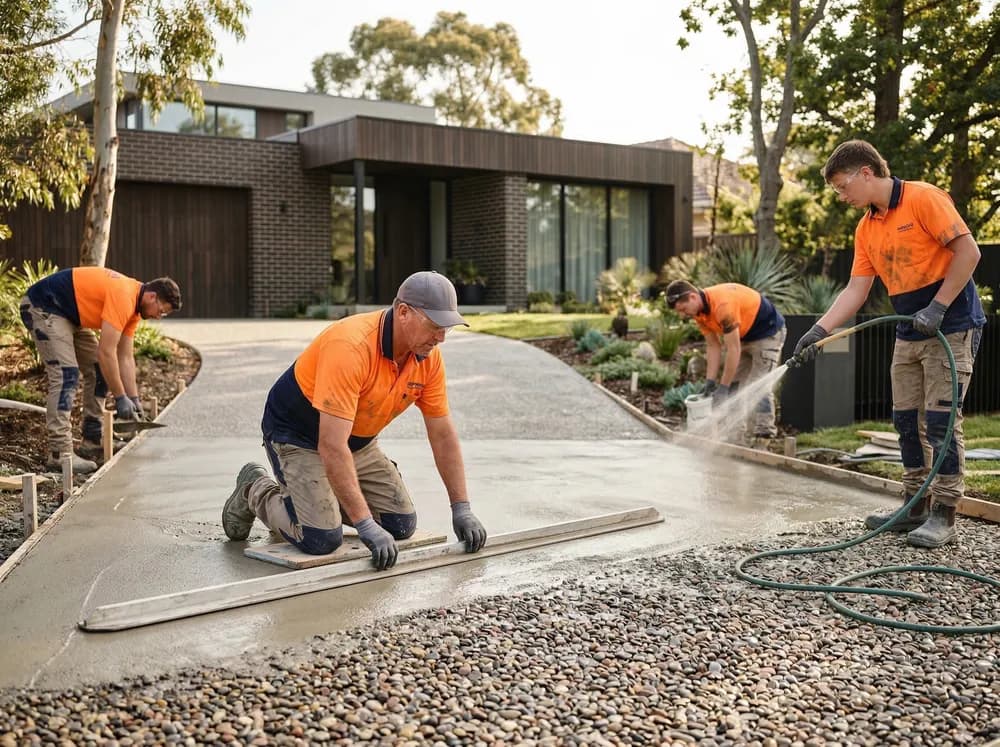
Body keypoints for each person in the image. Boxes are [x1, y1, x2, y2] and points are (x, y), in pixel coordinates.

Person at [223, 270, 488, 570]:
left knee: (400, 525)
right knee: (321, 539)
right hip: (298, 434)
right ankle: (254, 489)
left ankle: (321, 493)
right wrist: (363, 523)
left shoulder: (426, 358)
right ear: (403, 312)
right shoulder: (351, 347)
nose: (440, 337)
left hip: (356, 440)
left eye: (447, 328)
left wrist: (461, 507)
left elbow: (442, 434)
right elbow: (331, 445)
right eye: (434, 326)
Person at [791, 139, 985, 548]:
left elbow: (968, 252)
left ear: (866, 173)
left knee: (941, 422)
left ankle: (945, 513)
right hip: (909, 330)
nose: (841, 197)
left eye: (843, 187)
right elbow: (857, 289)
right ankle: (914, 504)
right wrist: (819, 330)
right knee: (905, 421)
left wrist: (937, 307)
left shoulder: (923, 198)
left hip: (952, 325)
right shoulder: (867, 227)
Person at [19, 267, 182, 473]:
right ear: (152, 296)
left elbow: (125, 357)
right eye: (161, 311)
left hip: (68, 315)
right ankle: (60, 454)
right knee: (66, 374)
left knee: (98, 371)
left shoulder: (134, 309)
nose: (160, 316)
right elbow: (107, 352)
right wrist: (120, 396)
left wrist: (133, 398)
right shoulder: (124, 295)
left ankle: (92, 439)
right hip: (43, 306)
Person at [665, 279, 787, 443]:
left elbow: (733, 350)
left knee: (758, 385)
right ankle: (736, 435)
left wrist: (722, 387)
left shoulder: (722, 306)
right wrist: (710, 382)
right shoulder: (699, 314)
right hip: (744, 336)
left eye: (683, 309)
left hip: (768, 334)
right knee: (735, 387)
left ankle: (763, 436)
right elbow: (713, 346)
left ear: (692, 297)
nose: (682, 315)